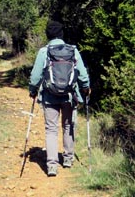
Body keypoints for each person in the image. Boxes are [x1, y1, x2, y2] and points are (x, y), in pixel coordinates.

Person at [28, 20, 90, 177]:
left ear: (48, 35)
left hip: (50, 96)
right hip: (69, 95)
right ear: (62, 34)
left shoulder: (44, 52)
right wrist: (85, 87)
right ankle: (68, 159)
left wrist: (33, 90)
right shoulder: (72, 50)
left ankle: (52, 166)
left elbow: (35, 75)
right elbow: (82, 73)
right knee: (68, 125)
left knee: (51, 129)